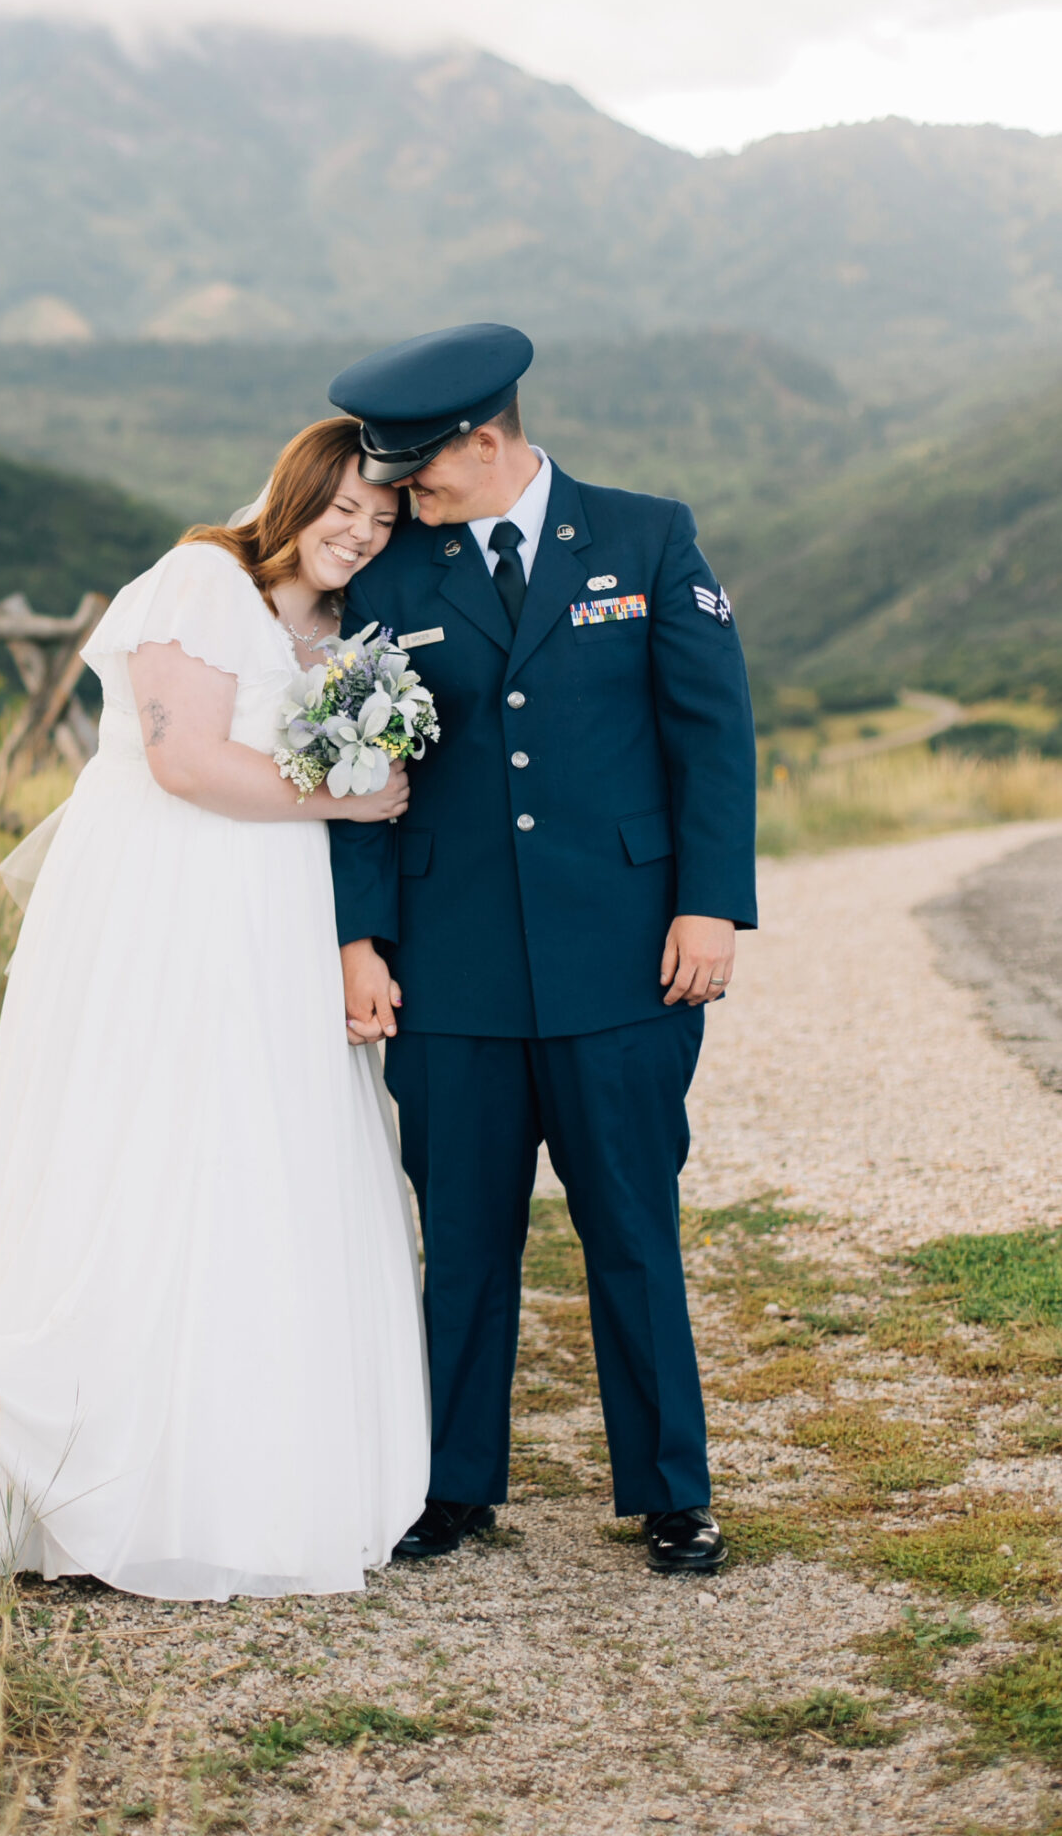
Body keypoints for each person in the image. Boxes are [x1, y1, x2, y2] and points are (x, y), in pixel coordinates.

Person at [0, 417, 429, 1600]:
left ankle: (243, 1453)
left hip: (274, 915)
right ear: (291, 495)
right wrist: (354, 803)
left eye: (380, 521)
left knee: (259, 1150)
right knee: (151, 1141)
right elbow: (183, 764)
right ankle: (106, 1446)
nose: (356, 535)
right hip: (169, 904)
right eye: (340, 510)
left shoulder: (346, 635)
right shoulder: (198, 580)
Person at [327, 322, 757, 1577]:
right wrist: (361, 934)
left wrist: (708, 903)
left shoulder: (643, 534)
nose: (404, 494)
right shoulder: (391, 580)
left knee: (630, 1223)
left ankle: (671, 1491)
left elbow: (710, 736)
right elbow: (359, 768)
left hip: (623, 955)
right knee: (460, 1238)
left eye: (421, 470)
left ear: (484, 438)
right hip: (448, 968)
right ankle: (449, 1483)